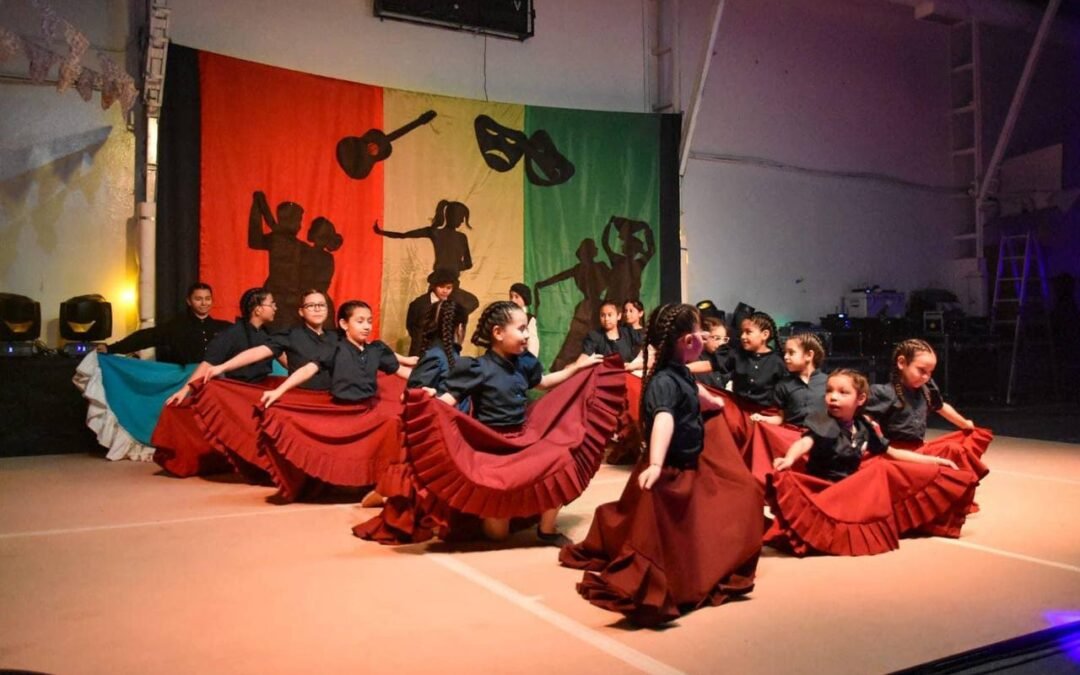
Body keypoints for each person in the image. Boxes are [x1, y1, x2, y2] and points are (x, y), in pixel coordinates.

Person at [354, 300, 624, 545]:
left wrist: (575, 369)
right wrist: (428, 401)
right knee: (498, 535)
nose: (527, 335)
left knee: (562, 458)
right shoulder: (477, 367)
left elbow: (542, 383)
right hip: (491, 448)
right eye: (521, 329)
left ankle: (547, 528)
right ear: (498, 333)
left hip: (524, 439)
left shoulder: (524, 363)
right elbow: (448, 400)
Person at [559, 303, 762, 626]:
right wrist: (655, 463)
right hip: (669, 473)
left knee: (739, 497)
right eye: (699, 332)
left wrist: (713, 401)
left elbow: (693, 390)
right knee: (657, 536)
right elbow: (664, 419)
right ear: (685, 341)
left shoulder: (678, 370)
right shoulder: (663, 381)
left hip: (687, 466)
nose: (705, 336)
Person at [766, 369, 980, 555]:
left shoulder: (864, 427)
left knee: (888, 467)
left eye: (842, 392)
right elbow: (805, 442)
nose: (833, 397)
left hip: (852, 490)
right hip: (827, 491)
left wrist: (934, 461)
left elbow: (894, 453)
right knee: (879, 469)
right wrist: (789, 458)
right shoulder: (823, 420)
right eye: (829, 391)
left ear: (860, 399)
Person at [150, 288, 278, 478]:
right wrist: (184, 391)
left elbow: (289, 360)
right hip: (238, 394)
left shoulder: (269, 334)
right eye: (272, 303)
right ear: (258, 309)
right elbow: (208, 364)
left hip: (262, 389)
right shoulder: (231, 334)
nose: (276, 308)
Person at [864, 339, 991, 508]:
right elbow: (865, 419)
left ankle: (956, 499)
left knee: (956, 449)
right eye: (921, 370)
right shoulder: (884, 392)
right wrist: (874, 436)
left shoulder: (926, 388)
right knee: (930, 469)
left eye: (930, 372)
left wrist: (965, 424)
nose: (926, 377)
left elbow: (940, 407)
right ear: (902, 363)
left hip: (919, 449)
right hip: (894, 455)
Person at [103, 282, 230, 364]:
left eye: (207, 299)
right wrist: (110, 349)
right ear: (189, 301)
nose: (204, 303)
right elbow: (144, 337)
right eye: (198, 299)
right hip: (186, 383)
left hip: (215, 384)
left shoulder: (223, 328)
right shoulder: (176, 327)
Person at [752, 333, 828, 427]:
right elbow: (780, 418)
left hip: (822, 436)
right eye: (785, 353)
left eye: (791, 352)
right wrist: (763, 418)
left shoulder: (828, 382)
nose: (785, 357)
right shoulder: (783, 385)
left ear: (809, 355)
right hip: (792, 435)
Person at [404, 269, 457, 357]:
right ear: (434, 286)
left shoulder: (453, 305)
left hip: (443, 352)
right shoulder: (418, 304)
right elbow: (411, 326)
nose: (445, 291)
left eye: (448, 288)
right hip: (419, 352)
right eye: (441, 287)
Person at [580, 300, 643, 366]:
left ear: (618, 316)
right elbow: (584, 358)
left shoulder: (629, 333)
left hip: (627, 374)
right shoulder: (594, 336)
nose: (606, 319)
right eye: (602, 315)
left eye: (610, 315)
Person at [694, 316, 731, 390]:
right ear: (704, 337)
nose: (721, 343)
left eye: (725, 339)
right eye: (717, 338)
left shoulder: (725, 360)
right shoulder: (694, 359)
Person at [509, 282, 539, 356]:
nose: (513, 300)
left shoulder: (529, 319)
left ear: (524, 299)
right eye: (511, 296)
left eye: (516, 297)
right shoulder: (505, 316)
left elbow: (533, 343)